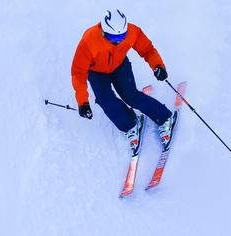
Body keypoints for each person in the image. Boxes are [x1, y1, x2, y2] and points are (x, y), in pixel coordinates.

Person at [71, 9, 173, 149]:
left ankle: (164, 117)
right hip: (97, 72)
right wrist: (83, 102)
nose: (119, 41)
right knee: (105, 100)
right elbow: (78, 73)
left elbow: (147, 49)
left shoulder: (132, 31)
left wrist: (158, 66)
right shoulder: (89, 41)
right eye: (114, 39)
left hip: (120, 66)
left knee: (131, 96)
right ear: (104, 32)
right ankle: (130, 124)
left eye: (122, 36)